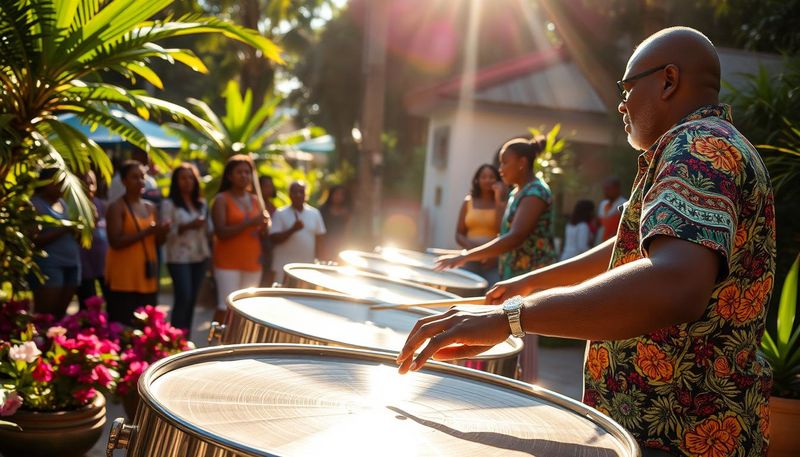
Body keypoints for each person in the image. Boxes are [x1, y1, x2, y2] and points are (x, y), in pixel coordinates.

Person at [396, 27, 775, 457]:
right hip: (673, 426)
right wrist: (528, 284)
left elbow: (675, 282)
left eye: (627, 87)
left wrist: (513, 318)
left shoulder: (699, 148)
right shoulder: (700, 146)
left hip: (682, 434)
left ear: (668, 81)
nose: (621, 103)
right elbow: (628, 245)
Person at [435, 138, 557, 382]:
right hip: (514, 275)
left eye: (505, 162)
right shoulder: (516, 192)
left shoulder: (536, 192)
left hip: (529, 280)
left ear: (523, 163)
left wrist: (466, 256)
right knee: (511, 333)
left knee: (523, 337)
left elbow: (515, 237)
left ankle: (522, 389)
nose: (500, 168)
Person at [105, 160, 171, 325]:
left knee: (146, 327)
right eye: (135, 177)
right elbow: (115, 241)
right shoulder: (117, 207)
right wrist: (146, 232)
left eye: (142, 177)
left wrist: (162, 232)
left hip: (146, 276)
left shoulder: (151, 207)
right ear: (123, 181)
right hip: (123, 277)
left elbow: (158, 241)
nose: (140, 181)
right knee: (122, 326)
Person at [211, 155, 270, 323]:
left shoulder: (256, 199)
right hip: (227, 262)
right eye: (239, 172)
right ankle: (215, 342)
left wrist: (264, 227)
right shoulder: (221, 199)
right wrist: (251, 222)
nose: (244, 176)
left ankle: (236, 345)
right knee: (225, 306)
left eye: (247, 172)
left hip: (252, 261)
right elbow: (221, 232)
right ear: (229, 176)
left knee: (246, 308)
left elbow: (261, 231)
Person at [161, 163, 210, 333]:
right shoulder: (169, 204)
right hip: (178, 257)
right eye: (183, 178)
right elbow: (167, 232)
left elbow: (208, 230)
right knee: (184, 295)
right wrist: (188, 225)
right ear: (176, 181)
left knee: (192, 299)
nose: (187, 181)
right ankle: (174, 336)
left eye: (190, 177)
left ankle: (185, 337)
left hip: (200, 256)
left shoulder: (201, 204)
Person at [30, 168, 81, 319]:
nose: (62, 186)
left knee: (60, 314)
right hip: (49, 266)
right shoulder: (34, 205)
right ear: (45, 183)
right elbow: (34, 240)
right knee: (45, 315)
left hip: (72, 264)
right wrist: (64, 229)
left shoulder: (65, 204)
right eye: (57, 182)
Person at [454, 164, 504, 287]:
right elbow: (459, 234)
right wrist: (474, 251)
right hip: (469, 258)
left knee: (493, 292)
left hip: (493, 260)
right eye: (484, 177)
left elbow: (502, 230)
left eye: (492, 177)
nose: (488, 180)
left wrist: (498, 200)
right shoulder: (468, 201)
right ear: (477, 180)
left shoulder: (503, 204)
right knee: (464, 289)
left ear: (498, 180)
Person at [269, 181, 326, 284]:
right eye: (295, 192)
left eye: (301, 192)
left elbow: (320, 239)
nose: (298, 195)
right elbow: (273, 239)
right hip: (283, 267)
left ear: (306, 195)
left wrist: (320, 262)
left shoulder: (315, 213)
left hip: (306, 268)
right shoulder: (280, 213)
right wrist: (292, 229)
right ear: (289, 195)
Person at [77, 170, 110, 308]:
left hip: (103, 264)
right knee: (88, 302)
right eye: (85, 183)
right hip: (84, 265)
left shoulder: (101, 205)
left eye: (92, 183)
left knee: (111, 301)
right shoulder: (74, 205)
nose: (89, 187)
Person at [319, 185, 353, 262]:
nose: (338, 197)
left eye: (341, 195)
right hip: (326, 244)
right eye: (336, 194)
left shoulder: (346, 212)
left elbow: (348, 230)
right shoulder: (323, 210)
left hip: (341, 245)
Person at [258, 175, 278, 287]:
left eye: (270, 186)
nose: (268, 189)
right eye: (265, 186)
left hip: (268, 252)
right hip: (255, 249)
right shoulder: (254, 205)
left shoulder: (274, 208)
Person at [595, 176, 626, 244]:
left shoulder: (624, 204)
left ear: (617, 189)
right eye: (605, 189)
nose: (605, 191)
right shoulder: (602, 204)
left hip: (614, 244)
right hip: (600, 243)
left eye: (608, 189)